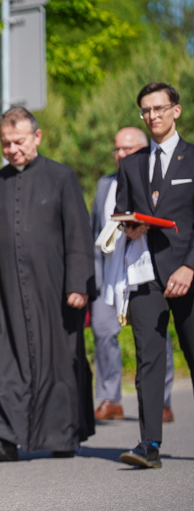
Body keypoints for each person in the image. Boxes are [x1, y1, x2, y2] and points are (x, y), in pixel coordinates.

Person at [0, 106, 95, 462]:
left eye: (19, 141)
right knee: (2, 361)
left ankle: (62, 434)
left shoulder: (62, 177)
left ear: (37, 137)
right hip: (3, 293)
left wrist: (79, 284)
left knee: (60, 361)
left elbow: (78, 235)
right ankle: (1, 435)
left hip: (55, 290)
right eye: (6, 143)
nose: (12, 149)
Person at [116, 82, 194, 469]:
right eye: (146, 111)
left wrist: (190, 265)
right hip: (145, 274)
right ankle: (149, 444)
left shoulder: (193, 159)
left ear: (176, 111)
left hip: (188, 274)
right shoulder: (130, 164)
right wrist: (129, 227)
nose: (153, 116)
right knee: (148, 359)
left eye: (160, 108)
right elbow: (122, 212)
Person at [91, 127, 175, 424]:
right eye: (117, 149)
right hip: (108, 276)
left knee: (154, 338)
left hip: (143, 273)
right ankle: (110, 399)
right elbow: (95, 232)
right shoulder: (104, 185)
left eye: (128, 149)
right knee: (102, 334)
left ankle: (161, 402)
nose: (121, 155)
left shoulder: (155, 182)